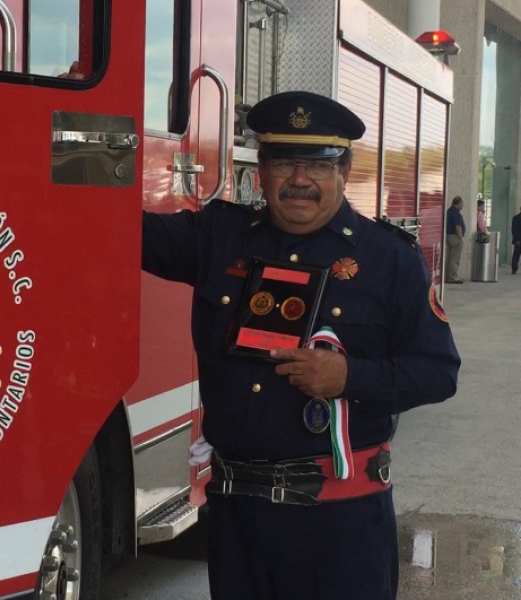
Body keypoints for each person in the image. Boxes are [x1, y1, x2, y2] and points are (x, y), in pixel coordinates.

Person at [142, 91, 460, 600]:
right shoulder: (218, 237)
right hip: (236, 518)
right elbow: (118, 227)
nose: (299, 180)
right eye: (284, 163)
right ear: (261, 171)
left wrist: (349, 377)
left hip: (340, 524)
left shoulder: (387, 258)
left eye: (317, 164)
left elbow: (439, 372)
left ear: (344, 169)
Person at [445, 196, 466, 283]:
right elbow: (458, 226)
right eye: (462, 203)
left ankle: (447, 276)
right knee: (455, 258)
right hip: (455, 237)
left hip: (448, 236)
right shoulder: (456, 213)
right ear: (459, 203)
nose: (463, 205)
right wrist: (460, 238)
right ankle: (453, 277)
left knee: (449, 257)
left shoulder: (449, 211)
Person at [512, 206, 521, 274]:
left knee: (516, 255)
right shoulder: (516, 218)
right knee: (516, 255)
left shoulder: (516, 218)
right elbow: (514, 230)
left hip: (518, 240)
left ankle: (514, 268)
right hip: (518, 240)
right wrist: (517, 239)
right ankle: (514, 268)